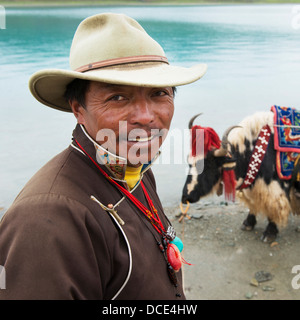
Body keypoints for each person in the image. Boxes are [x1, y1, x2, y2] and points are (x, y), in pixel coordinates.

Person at [0, 13, 206, 300]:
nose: (146, 116)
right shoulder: (45, 219)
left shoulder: (137, 171)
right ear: (78, 109)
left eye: (159, 93)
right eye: (118, 98)